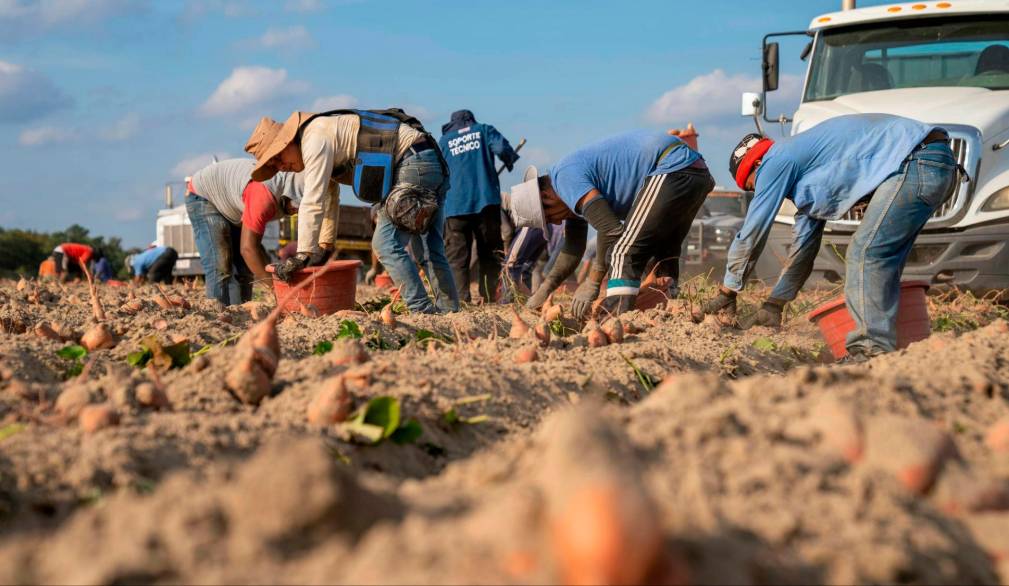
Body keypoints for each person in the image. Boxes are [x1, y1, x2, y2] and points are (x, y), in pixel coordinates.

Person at [702, 113, 959, 361]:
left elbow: (752, 232)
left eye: (754, 187)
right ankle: (896, 344)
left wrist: (727, 291)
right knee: (882, 257)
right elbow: (803, 251)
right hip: (934, 163)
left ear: (757, 164)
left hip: (916, 161)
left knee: (865, 253)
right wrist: (774, 304)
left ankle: (870, 350)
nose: (761, 193)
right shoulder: (808, 175)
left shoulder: (775, 160)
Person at [244, 108, 458, 314]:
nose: (281, 167)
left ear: (289, 140)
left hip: (412, 164)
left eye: (279, 158)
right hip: (429, 160)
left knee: (385, 244)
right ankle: (450, 311)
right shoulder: (323, 135)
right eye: (274, 166)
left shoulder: (314, 138)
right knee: (428, 248)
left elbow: (312, 199)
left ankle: (421, 310)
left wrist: (302, 254)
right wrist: (324, 245)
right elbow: (330, 194)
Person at [510, 129, 714, 318]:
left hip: (671, 167)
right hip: (695, 171)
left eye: (549, 219)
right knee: (661, 253)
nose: (557, 222)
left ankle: (620, 316)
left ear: (546, 196)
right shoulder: (569, 192)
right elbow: (573, 247)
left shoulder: (565, 180)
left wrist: (593, 282)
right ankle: (668, 313)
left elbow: (611, 229)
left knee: (623, 252)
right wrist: (546, 288)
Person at [185, 159, 301, 306]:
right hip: (204, 197)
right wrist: (277, 289)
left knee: (244, 269)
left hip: (231, 206)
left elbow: (254, 248)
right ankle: (216, 316)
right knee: (220, 263)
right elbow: (248, 249)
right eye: (295, 206)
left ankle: (239, 313)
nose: (295, 211)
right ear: (287, 195)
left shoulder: (290, 191)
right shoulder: (264, 196)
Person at [438, 110, 520, 303]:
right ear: (471, 121)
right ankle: (489, 297)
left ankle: (460, 300)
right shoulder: (483, 131)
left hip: (455, 206)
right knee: (489, 252)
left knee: (457, 255)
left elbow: (438, 170)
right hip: (485, 203)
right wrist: (509, 160)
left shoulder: (444, 142)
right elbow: (501, 148)